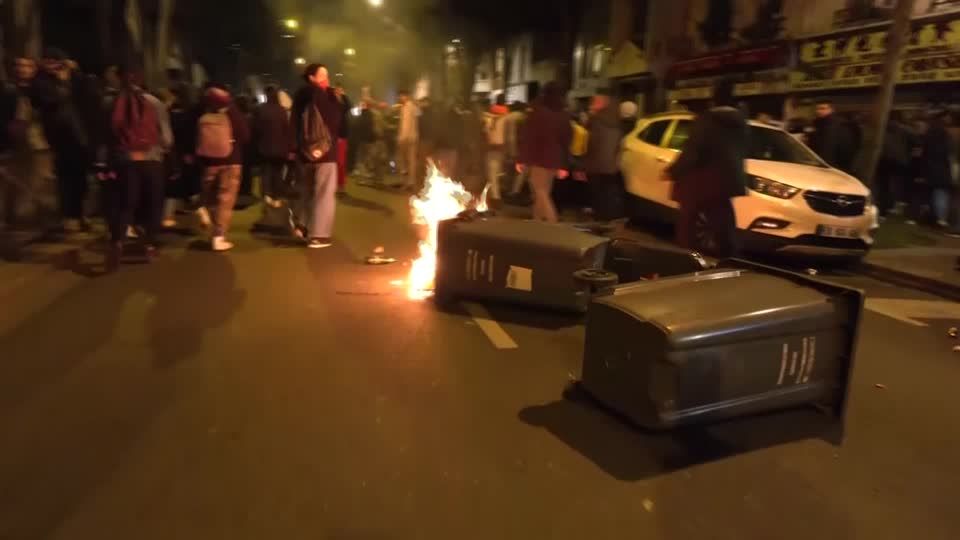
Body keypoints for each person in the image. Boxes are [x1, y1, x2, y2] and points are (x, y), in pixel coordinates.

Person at [665, 80, 748, 258]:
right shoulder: (740, 123)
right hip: (727, 181)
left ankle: (685, 257)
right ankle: (730, 257)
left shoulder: (706, 120)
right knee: (723, 221)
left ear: (714, 100)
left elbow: (692, 151)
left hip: (700, 180)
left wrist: (673, 171)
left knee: (688, 221)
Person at [105, 63, 172, 270]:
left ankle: (117, 241)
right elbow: (167, 138)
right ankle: (150, 245)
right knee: (153, 205)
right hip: (152, 161)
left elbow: (108, 135)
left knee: (125, 204)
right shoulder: (154, 103)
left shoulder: (111, 102)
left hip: (125, 160)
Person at [31, 48, 92, 232]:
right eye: (48, 62)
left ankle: (79, 213)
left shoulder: (73, 79)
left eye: (57, 62)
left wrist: (76, 72)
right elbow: (52, 101)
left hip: (79, 136)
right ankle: (68, 216)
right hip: (60, 138)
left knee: (81, 179)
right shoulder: (40, 82)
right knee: (66, 179)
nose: (54, 66)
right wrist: (62, 82)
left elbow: (88, 94)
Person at [291, 63, 342, 249]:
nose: (326, 78)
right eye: (322, 75)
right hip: (325, 153)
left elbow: (294, 123)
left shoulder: (299, 96)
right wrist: (336, 98)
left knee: (306, 191)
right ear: (312, 78)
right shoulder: (323, 96)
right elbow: (337, 124)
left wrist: (295, 148)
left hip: (304, 153)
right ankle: (319, 235)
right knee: (324, 194)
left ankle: (301, 226)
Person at [194, 85, 250, 251]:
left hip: (208, 162)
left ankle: (204, 212)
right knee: (225, 199)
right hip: (231, 160)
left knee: (210, 196)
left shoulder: (201, 112)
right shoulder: (232, 112)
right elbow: (245, 135)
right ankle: (218, 236)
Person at [517, 82, 572, 223]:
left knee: (540, 191)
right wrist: (564, 165)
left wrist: (522, 159)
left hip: (539, 157)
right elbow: (566, 140)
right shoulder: (564, 114)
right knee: (543, 192)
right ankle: (537, 221)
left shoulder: (537, 111)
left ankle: (552, 222)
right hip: (555, 159)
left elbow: (528, 136)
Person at [584, 91, 624, 222]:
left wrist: (591, 114)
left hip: (597, 164)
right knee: (608, 192)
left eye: (596, 101)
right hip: (610, 165)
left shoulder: (597, 120)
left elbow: (592, 143)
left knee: (599, 193)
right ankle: (608, 217)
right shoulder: (616, 120)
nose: (593, 103)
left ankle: (600, 219)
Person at [253, 86, 294, 207]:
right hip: (280, 149)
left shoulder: (261, 109)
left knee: (266, 171)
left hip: (264, 147)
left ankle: (266, 194)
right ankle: (276, 195)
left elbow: (256, 128)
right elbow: (286, 130)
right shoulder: (281, 111)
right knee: (277, 172)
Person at [876, 111, 911, 219]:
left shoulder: (882, 128)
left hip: (884, 160)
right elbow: (916, 142)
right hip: (900, 161)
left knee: (883, 186)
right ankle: (892, 206)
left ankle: (882, 210)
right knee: (896, 185)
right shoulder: (906, 130)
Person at [923, 110, 954, 228]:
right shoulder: (946, 135)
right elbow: (949, 154)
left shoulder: (929, 134)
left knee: (933, 193)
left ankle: (934, 218)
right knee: (941, 193)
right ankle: (941, 219)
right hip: (942, 168)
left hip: (930, 168)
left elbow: (925, 153)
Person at [808, 100, 856, 173]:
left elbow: (843, 148)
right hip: (819, 164)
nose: (819, 111)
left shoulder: (838, 125)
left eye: (823, 108)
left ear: (831, 109)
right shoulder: (819, 123)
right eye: (817, 109)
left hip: (831, 166)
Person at [483, 95, 509, 202]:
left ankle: (495, 197)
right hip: (502, 148)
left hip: (491, 148)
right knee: (498, 173)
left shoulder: (488, 118)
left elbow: (485, 134)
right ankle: (496, 195)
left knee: (492, 174)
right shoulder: (507, 117)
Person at [395, 90, 419, 189]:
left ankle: (408, 183)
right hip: (410, 137)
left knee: (407, 161)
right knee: (409, 161)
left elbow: (407, 125)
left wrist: (402, 138)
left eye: (401, 96)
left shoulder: (408, 107)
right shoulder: (406, 107)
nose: (400, 98)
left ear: (406, 96)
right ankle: (408, 182)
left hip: (408, 138)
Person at [333, 85, 352, 194]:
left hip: (342, 137)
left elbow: (349, 106)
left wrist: (344, 96)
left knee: (341, 162)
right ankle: (335, 185)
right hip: (333, 137)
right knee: (334, 163)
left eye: (340, 90)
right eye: (337, 90)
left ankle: (341, 185)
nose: (338, 92)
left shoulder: (344, 105)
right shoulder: (332, 104)